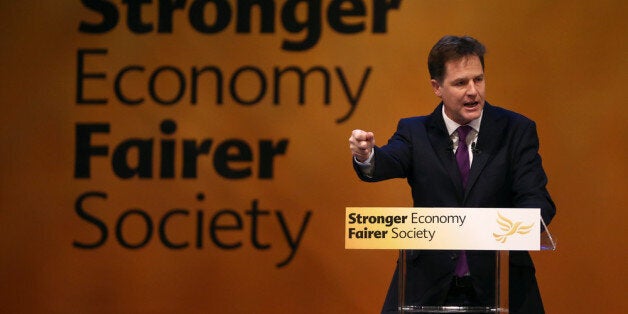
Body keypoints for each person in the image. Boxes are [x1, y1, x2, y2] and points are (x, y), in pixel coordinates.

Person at [348, 35, 556, 313]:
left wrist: (514, 226)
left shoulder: (516, 130)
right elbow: (385, 161)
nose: (473, 91)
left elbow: (537, 201)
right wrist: (366, 156)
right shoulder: (415, 132)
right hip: (425, 290)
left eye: (478, 80)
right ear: (437, 87)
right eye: (461, 83)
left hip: (503, 286)